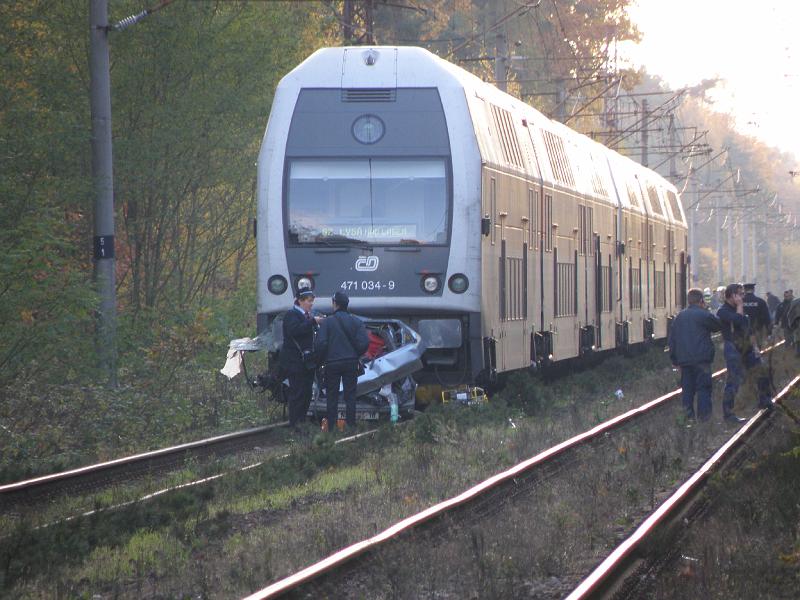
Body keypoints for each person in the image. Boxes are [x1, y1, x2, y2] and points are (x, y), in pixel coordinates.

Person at [717, 283, 773, 423]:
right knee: (734, 380)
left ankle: (764, 400)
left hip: (747, 347)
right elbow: (738, 320)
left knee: (761, 371)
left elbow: (748, 329)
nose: (743, 297)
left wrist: (755, 347)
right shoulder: (722, 311)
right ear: (732, 295)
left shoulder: (741, 309)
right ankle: (728, 414)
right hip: (732, 348)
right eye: (740, 294)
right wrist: (740, 306)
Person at [314, 291, 369, 430]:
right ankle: (351, 427)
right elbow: (364, 343)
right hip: (351, 363)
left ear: (335, 304)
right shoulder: (356, 322)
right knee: (350, 396)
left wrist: (321, 361)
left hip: (332, 364)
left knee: (331, 397)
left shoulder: (327, 322)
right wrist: (355, 355)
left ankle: (332, 429)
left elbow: (321, 344)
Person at [668, 288, 721, 421]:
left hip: (685, 362)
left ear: (689, 301)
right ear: (701, 300)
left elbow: (672, 340)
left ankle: (688, 419)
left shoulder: (679, 317)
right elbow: (717, 326)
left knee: (687, 391)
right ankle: (704, 419)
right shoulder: (704, 315)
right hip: (702, 360)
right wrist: (706, 310)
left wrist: (674, 360)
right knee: (703, 389)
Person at [279, 289, 323, 429]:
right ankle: (295, 425)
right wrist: (312, 322)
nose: (311, 304)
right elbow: (294, 330)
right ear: (300, 301)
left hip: (306, 362)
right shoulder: (291, 315)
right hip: (295, 362)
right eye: (309, 301)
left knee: (306, 393)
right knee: (297, 393)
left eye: (312, 301)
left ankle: (301, 423)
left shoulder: (306, 316)